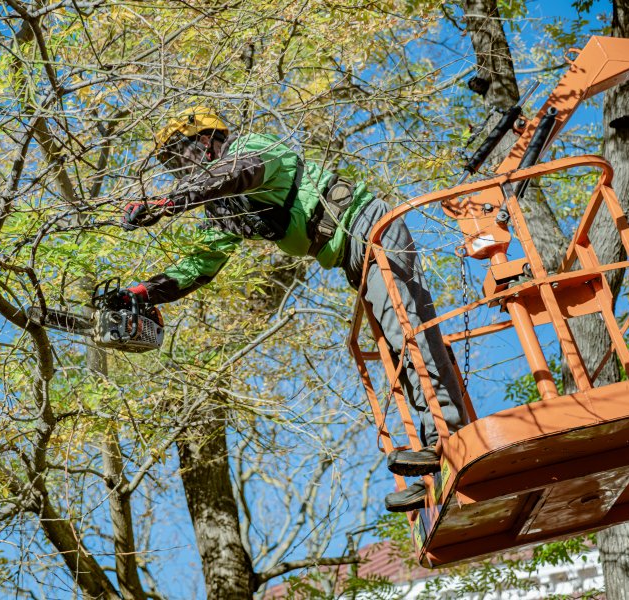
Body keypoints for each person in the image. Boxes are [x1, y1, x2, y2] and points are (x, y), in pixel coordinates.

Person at [119, 107, 466, 512]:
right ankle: (433, 467)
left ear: (205, 140)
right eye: (170, 163)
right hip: (351, 257)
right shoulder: (224, 211)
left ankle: (452, 442)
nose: (177, 169)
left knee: (407, 333)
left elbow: (238, 173)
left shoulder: (254, 149)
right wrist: (141, 294)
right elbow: (199, 265)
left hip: (370, 229)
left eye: (178, 156)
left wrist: (169, 203)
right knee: (394, 352)